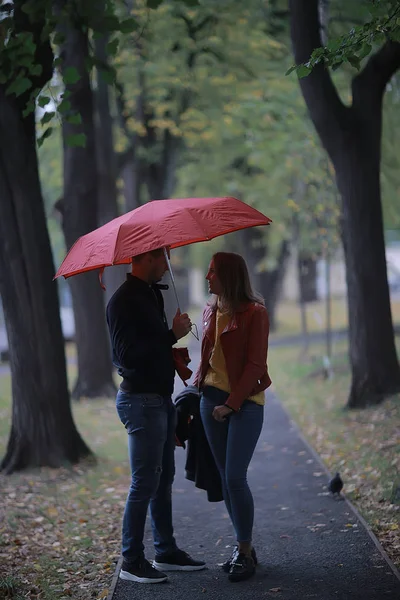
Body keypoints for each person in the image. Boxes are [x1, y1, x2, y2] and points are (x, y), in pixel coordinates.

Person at [106, 247, 206, 584]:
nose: (167, 264)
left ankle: (165, 551)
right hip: (140, 402)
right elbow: (126, 357)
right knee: (144, 483)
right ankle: (131, 560)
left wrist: (171, 350)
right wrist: (170, 336)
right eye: (163, 258)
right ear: (146, 258)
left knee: (163, 481)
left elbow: (150, 346)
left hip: (161, 400)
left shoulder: (150, 294)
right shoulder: (122, 301)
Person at [194, 251, 271, 583]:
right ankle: (245, 550)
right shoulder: (209, 311)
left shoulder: (255, 314)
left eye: (212, 272)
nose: (208, 277)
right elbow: (210, 361)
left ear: (229, 275)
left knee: (236, 478)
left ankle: (243, 550)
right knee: (226, 479)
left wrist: (233, 403)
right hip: (210, 401)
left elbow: (256, 366)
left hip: (245, 403)